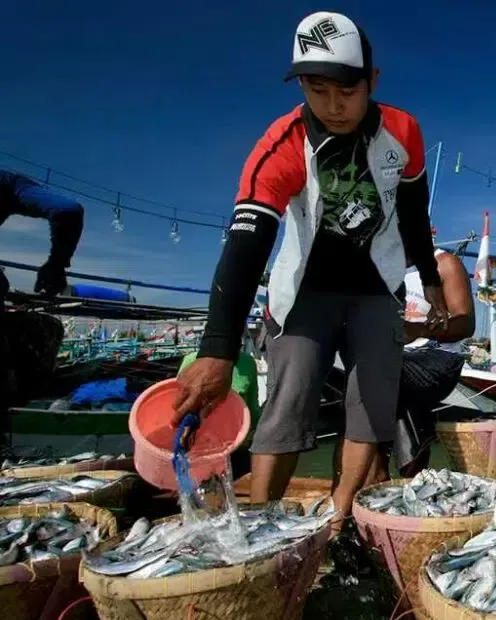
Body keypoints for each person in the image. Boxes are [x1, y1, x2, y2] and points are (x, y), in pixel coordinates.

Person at [171, 11, 448, 534]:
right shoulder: (283, 143)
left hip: (377, 288)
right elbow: (247, 243)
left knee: (371, 407)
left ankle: (338, 518)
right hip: (305, 292)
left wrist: (429, 280)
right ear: (301, 85)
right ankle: (258, 525)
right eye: (317, 89)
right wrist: (217, 350)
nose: (333, 105)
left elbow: (414, 211)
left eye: (348, 88)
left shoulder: (403, 131)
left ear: (373, 81)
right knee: (288, 406)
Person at [343, 243, 475, 484]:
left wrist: (420, 329)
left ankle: (385, 472)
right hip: (392, 359)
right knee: (368, 372)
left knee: (384, 371)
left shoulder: (444, 263)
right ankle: (394, 473)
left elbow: (465, 324)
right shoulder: (378, 268)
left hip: (437, 358)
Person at [176, 343, 261, 479]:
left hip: (234, 444)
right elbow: (179, 400)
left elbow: (252, 407)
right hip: (199, 445)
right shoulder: (191, 360)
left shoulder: (247, 362)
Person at [0, 169, 84, 301]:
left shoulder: (10, 183)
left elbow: (67, 210)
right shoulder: (13, 182)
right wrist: (57, 263)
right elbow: (68, 209)